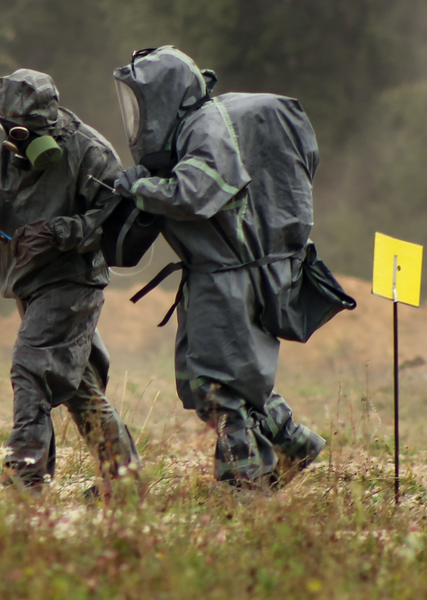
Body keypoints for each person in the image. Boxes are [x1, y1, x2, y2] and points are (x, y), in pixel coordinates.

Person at [109, 46, 326, 489]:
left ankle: (243, 483)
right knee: (215, 378)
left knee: (217, 386)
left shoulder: (204, 126)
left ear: (166, 94)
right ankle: (294, 442)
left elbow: (199, 189)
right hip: (217, 273)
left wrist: (143, 189)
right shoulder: (195, 126)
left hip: (228, 275)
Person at [0, 69, 142, 496]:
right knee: (78, 387)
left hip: (72, 280)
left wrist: (60, 232)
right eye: (16, 131)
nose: (23, 140)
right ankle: (124, 481)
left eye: (34, 132)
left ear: (53, 120)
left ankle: (26, 471)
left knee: (32, 366)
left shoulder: (88, 151)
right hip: (26, 280)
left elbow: (119, 221)